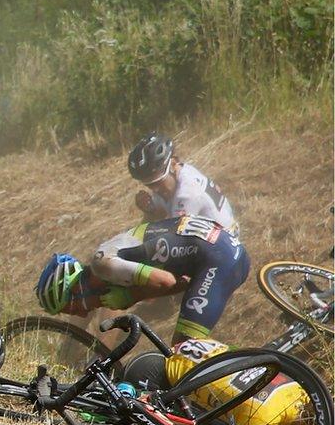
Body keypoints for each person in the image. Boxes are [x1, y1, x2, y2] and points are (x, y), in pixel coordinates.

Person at [37, 213, 251, 343]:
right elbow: (182, 282)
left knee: (184, 349)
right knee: (188, 350)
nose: (83, 312)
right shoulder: (107, 262)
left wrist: (131, 295)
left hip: (218, 257)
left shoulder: (102, 264)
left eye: (73, 309)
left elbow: (165, 281)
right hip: (222, 253)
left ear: (76, 290)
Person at [127, 133, 237, 233]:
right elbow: (158, 216)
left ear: (173, 164)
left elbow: (174, 237)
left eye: (157, 182)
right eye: (148, 184)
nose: (154, 189)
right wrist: (149, 211)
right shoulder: (172, 178)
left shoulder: (187, 194)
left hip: (223, 244)